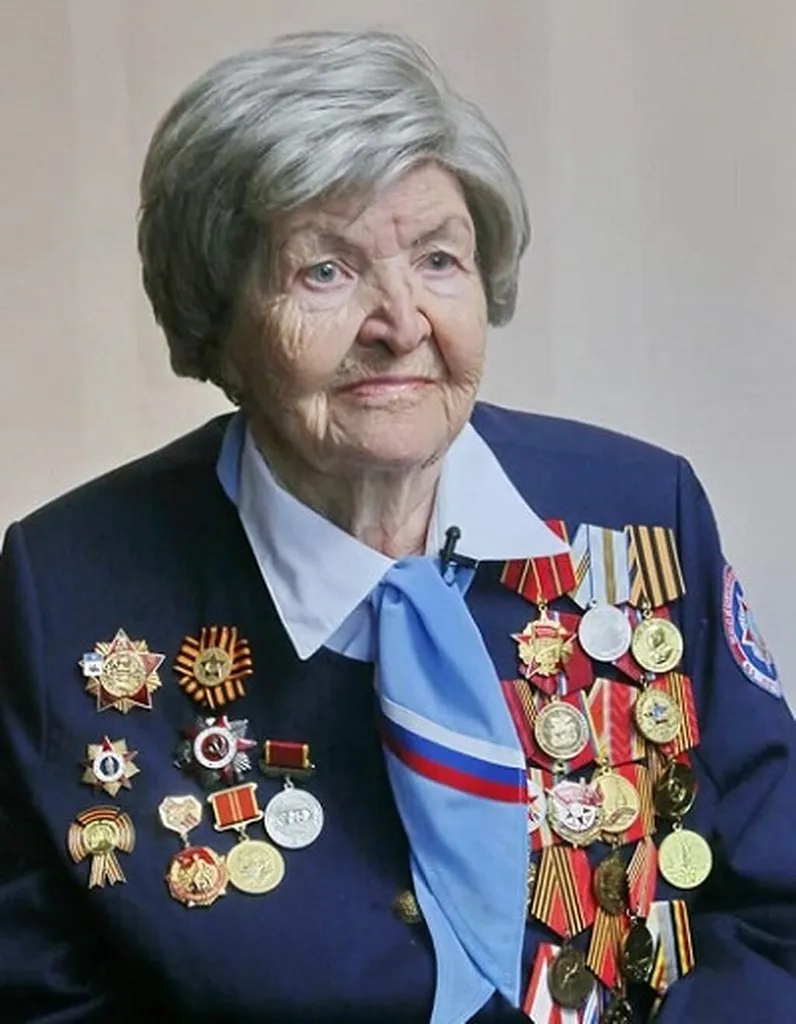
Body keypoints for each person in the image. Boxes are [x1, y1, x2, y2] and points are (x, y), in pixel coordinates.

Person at [1, 28, 794, 1024]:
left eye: (438, 258)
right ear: (217, 316)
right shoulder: (65, 589)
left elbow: (776, 912)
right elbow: (40, 996)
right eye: (325, 272)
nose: (402, 322)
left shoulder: (642, 515)